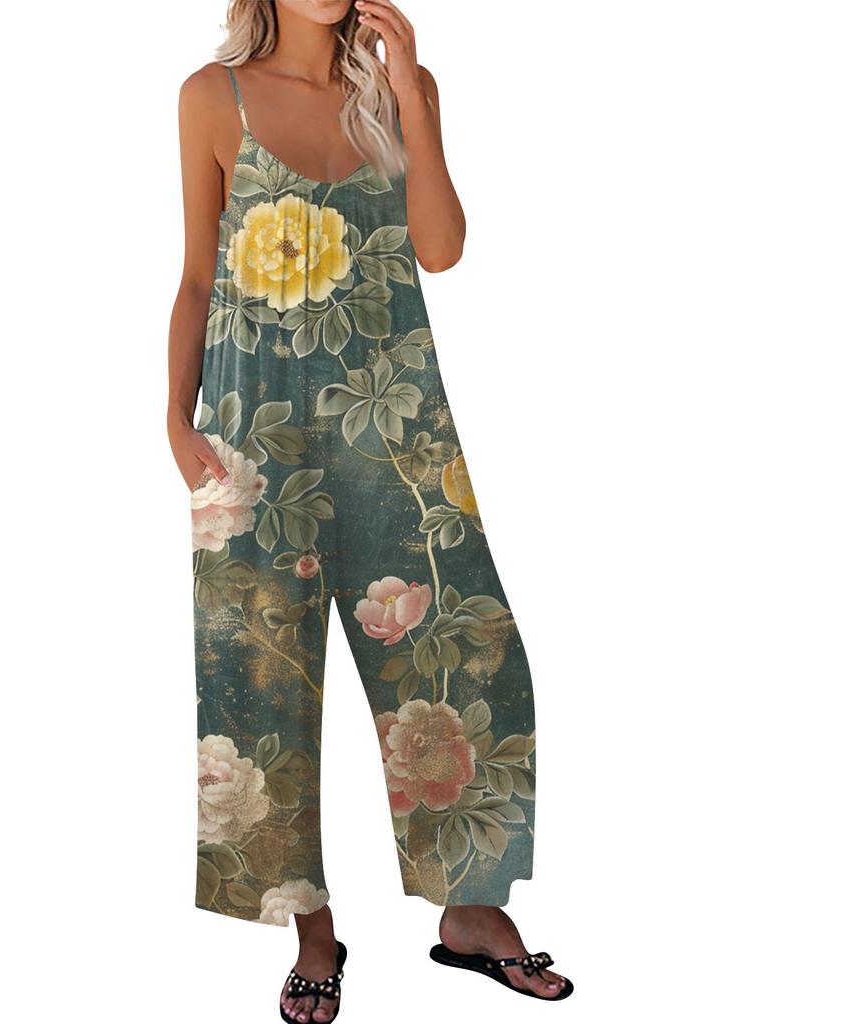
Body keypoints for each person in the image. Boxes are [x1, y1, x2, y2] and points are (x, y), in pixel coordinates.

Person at [170, 2, 574, 1019]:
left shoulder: (401, 91)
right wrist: (175, 420)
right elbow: (196, 272)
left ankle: (470, 912)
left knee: (465, 651)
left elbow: (440, 249)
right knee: (263, 685)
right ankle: (312, 929)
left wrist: (410, 92)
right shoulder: (212, 98)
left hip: (393, 422)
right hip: (252, 430)